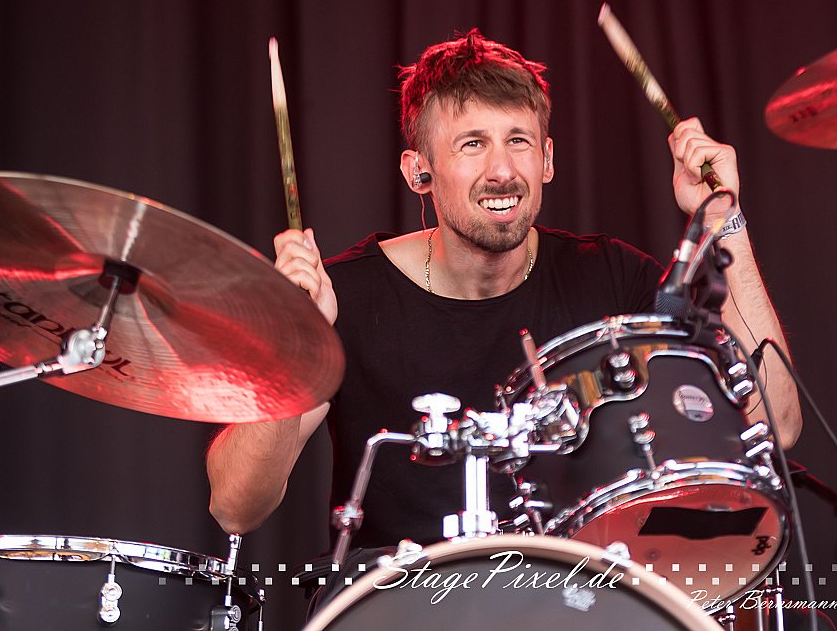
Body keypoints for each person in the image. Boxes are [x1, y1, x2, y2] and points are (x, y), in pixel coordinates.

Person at [206, 29, 802, 551]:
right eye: (472, 143)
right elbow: (236, 506)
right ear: (418, 171)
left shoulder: (612, 278)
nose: (502, 170)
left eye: (518, 140)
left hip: (573, 608)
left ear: (547, 159)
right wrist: (294, 342)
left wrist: (722, 217)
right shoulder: (345, 298)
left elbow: (774, 422)